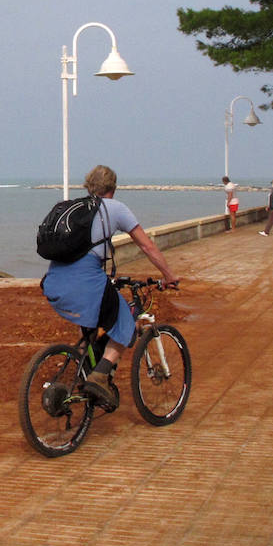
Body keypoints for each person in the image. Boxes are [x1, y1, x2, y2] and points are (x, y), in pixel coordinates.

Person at [41, 165, 180, 408]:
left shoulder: (74, 209)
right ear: (113, 189)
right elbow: (147, 246)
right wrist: (168, 275)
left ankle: (83, 370)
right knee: (126, 322)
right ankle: (99, 375)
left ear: (88, 186)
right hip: (86, 281)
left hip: (53, 282)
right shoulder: (115, 208)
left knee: (95, 320)